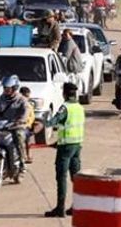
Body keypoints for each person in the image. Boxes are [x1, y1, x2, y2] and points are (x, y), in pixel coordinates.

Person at [45, 82, 85, 218]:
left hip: (65, 147)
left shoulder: (65, 107)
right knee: (76, 177)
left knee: (61, 177)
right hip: (77, 145)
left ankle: (60, 208)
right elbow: (72, 126)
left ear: (65, 94)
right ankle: (77, 206)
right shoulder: (79, 107)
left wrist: (43, 122)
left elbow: (54, 121)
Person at [0, 75, 29, 171]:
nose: (5, 90)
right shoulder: (0, 99)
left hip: (16, 126)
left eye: (8, 88)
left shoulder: (21, 100)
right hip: (2, 126)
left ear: (14, 88)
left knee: (19, 136)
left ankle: (22, 162)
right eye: (4, 88)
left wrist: (22, 119)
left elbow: (26, 111)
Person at [19, 86, 35, 164]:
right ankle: (23, 156)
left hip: (27, 126)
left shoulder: (29, 105)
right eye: (26, 96)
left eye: (28, 96)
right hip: (20, 126)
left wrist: (29, 124)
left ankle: (28, 155)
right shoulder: (18, 104)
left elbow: (31, 116)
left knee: (28, 141)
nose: (27, 98)